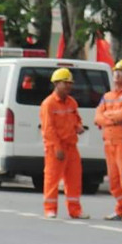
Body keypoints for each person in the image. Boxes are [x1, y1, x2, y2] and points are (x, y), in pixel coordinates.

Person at [93, 59, 122, 221]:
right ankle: (119, 208)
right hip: (109, 143)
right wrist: (112, 119)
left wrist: (107, 117)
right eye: (115, 72)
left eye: (121, 72)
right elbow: (97, 117)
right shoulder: (107, 96)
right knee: (114, 180)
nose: (117, 75)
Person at [40, 67, 87, 219]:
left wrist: (78, 126)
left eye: (70, 83)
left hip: (71, 146)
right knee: (52, 179)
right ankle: (50, 209)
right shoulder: (48, 104)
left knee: (74, 180)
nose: (68, 86)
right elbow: (48, 129)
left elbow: (76, 119)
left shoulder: (72, 102)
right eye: (65, 83)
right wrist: (57, 147)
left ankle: (75, 210)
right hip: (56, 148)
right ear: (56, 84)